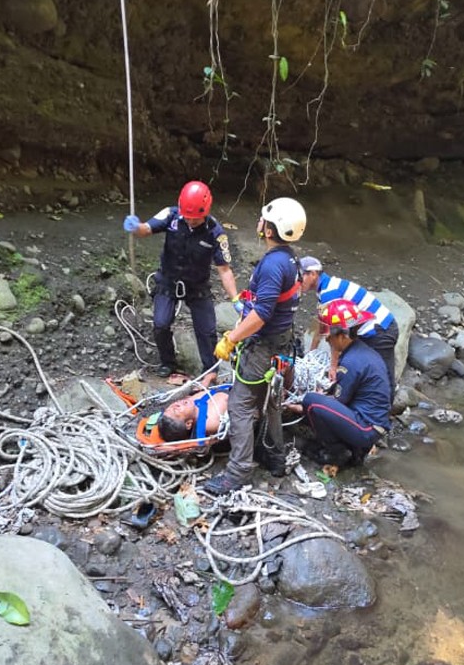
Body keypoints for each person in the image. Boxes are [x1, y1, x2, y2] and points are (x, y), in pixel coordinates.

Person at [204, 197, 307, 495]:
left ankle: (237, 473)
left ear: (271, 229)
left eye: (263, 218)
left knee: (240, 404)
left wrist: (231, 338)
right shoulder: (290, 258)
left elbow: (262, 315)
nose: (258, 222)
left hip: (264, 345)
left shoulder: (274, 265)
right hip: (281, 341)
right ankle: (274, 458)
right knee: (271, 400)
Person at [123, 182, 242, 379]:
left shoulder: (215, 232)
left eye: (195, 219)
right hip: (169, 281)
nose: (190, 221)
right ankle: (167, 361)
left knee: (207, 330)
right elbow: (146, 230)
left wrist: (235, 298)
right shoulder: (171, 215)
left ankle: (210, 371)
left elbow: (224, 270)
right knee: (161, 324)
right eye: (187, 217)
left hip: (197, 285)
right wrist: (135, 227)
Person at [286, 299, 391, 467]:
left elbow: (338, 401)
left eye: (330, 337)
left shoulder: (351, 362)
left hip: (366, 428)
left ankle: (334, 451)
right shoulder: (362, 352)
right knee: (318, 401)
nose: (327, 341)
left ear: (342, 336)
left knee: (310, 401)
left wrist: (301, 407)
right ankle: (354, 450)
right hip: (372, 424)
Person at [299, 256, 400, 395]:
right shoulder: (327, 288)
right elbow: (322, 324)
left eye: (301, 276)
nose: (298, 281)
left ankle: (383, 410)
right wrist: (310, 356)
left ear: (313, 274)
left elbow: (335, 332)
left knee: (383, 374)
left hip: (379, 329)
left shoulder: (330, 293)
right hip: (368, 329)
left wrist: (333, 367)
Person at [157, 384, 230, 442]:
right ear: (188, 423)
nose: (176, 404)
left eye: (170, 406)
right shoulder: (210, 422)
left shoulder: (190, 402)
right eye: (176, 410)